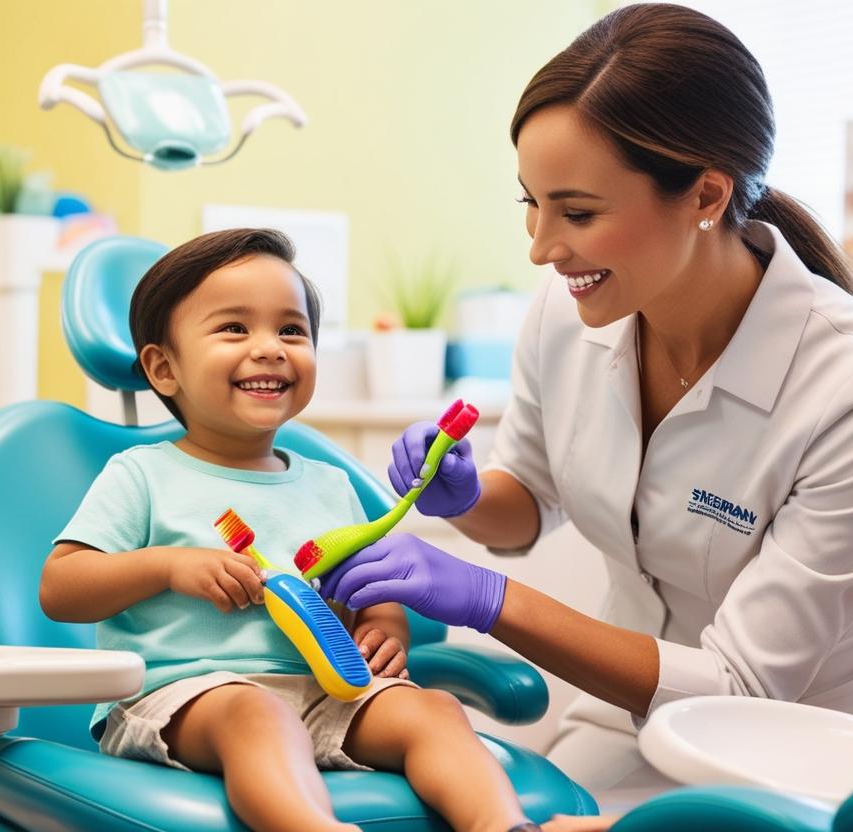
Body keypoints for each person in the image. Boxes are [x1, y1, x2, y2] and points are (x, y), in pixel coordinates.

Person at [321, 2, 853, 807]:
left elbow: (741, 681)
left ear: (704, 194)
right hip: (631, 705)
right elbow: (529, 502)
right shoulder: (568, 308)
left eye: (578, 212)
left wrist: (489, 602)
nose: (542, 247)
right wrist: (468, 497)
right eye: (532, 203)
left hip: (823, 739)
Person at [40, 228, 547, 832]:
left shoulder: (330, 486)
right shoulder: (142, 475)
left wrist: (385, 631)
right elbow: (61, 587)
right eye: (234, 328)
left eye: (291, 330)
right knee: (255, 712)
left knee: (432, 709)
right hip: (184, 698)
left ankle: (502, 826)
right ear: (163, 368)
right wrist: (168, 566)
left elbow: (371, 589)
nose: (270, 348)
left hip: (326, 691)